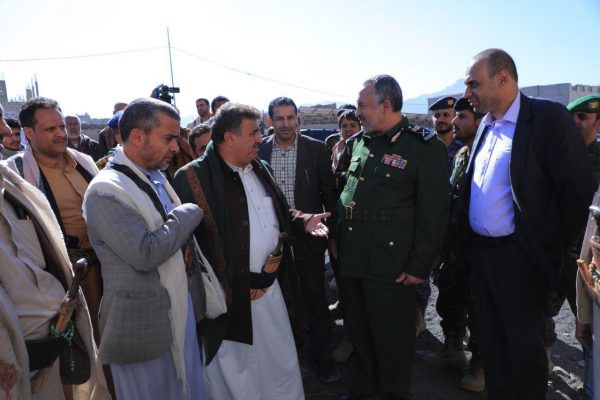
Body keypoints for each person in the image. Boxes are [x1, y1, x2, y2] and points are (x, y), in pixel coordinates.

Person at [172, 102, 332, 400]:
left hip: (271, 292)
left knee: (279, 364)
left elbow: (279, 212)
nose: (261, 138)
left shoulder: (261, 167)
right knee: (238, 376)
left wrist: (304, 220)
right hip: (230, 306)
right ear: (229, 138)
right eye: (253, 133)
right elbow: (185, 247)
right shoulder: (192, 178)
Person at [461, 48, 596, 399]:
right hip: (483, 258)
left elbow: (576, 193)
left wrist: (549, 252)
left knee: (524, 355)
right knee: (492, 348)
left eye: (474, 83)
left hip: (521, 261)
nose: (467, 92)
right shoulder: (486, 125)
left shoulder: (547, 119)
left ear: (503, 78)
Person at [82, 98, 207, 400]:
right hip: (143, 329)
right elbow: (145, 253)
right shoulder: (105, 190)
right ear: (138, 136)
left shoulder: (154, 175)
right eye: (168, 138)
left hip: (179, 312)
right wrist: (188, 213)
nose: (176, 147)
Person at [337, 74, 449, 399]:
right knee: (360, 333)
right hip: (354, 259)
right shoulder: (359, 142)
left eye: (362, 106)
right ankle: (365, 389)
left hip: (392, 267)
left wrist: (419, 265)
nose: (357, 112)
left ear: (385, 106)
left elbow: (434, 213)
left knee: (392, 342)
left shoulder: (423, 147)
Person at [0, 104, 110, 400]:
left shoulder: (84, 162)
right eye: (50, 129)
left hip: (105, 269)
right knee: (78, 354)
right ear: (28, 133)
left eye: (61, 126)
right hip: (65, 278)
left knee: (109, 345)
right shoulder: (16, 174)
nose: (60, 134)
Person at [258, 96, 339, 383]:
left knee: (315, 297)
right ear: (270, 121)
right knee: (278, 300)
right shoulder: (259, 150)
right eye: (279, 118)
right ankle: (287, 361)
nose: (285, 124)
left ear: (297, 119)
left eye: (290, 117)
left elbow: (329, 194)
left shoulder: (315, 149)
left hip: (309, 236)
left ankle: (323, 360)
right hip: (271, 239)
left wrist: (332, 236)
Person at [423, 97, 485, 392]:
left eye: (462, 116)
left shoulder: (489, 154)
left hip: (479, 247)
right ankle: (452, 349)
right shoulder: (461, 154)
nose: (455, 122)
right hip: (453, 245)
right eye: (454, 116)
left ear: (479, 121)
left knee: (480, 308)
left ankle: (480, 366)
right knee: (449, 298)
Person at [429, 96, 462, 171]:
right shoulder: (423, 145)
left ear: (455, 117)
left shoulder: (464, 146)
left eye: (446, 115)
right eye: (437, 115)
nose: (440, 119)